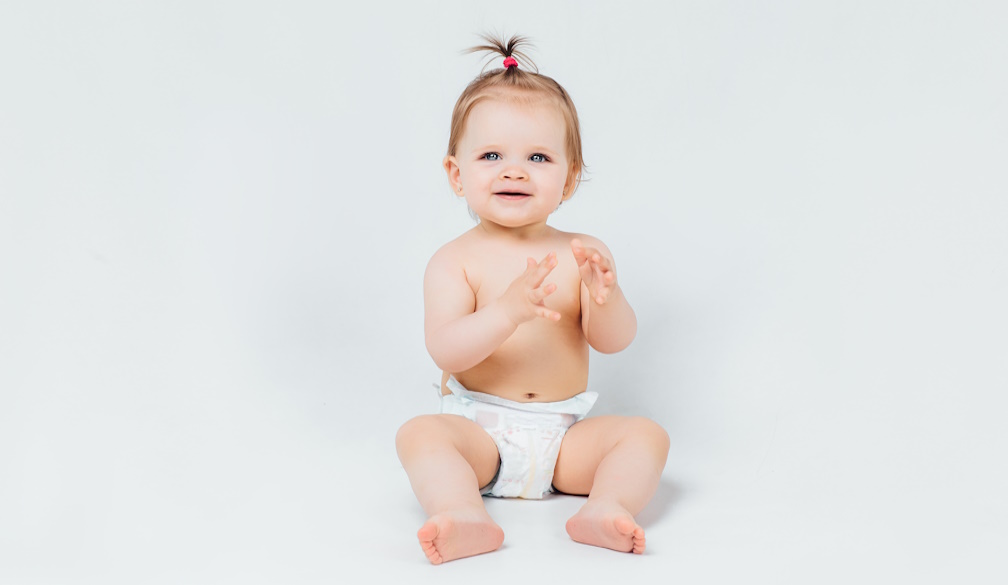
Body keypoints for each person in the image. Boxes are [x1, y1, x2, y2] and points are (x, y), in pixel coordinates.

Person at [395, 34, 670, 565]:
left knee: (645, 435)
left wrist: (604, 297)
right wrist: (506, 312)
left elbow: (614, 341)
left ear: (569, 179)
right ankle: (462, 512)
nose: (514, 170)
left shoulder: (581, 252)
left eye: (538, 157)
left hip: (565, 439)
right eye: (491, 155)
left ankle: (606, 507)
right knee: (420, 435)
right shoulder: (455, 261)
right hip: (481, 435)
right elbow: (446, 351)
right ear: (457, 174)